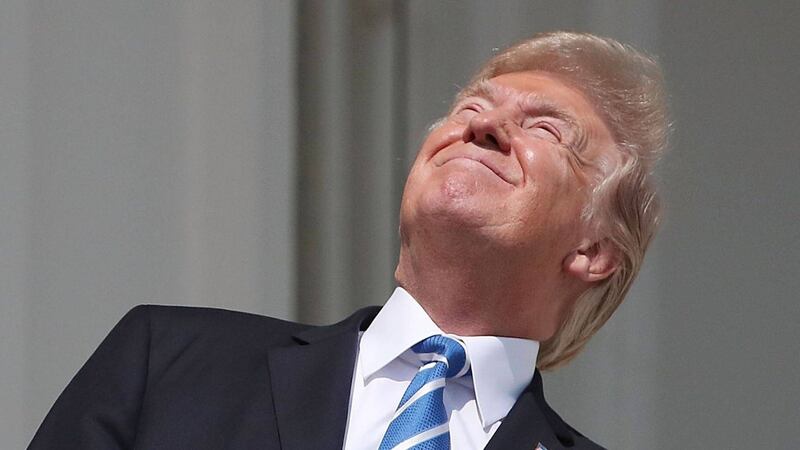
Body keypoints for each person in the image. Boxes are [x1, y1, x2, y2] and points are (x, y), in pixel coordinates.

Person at [29, 31, 668, 450]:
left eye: (547, 131)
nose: (486, 127)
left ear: (593, 251)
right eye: (471, 109)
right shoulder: (169, 364)